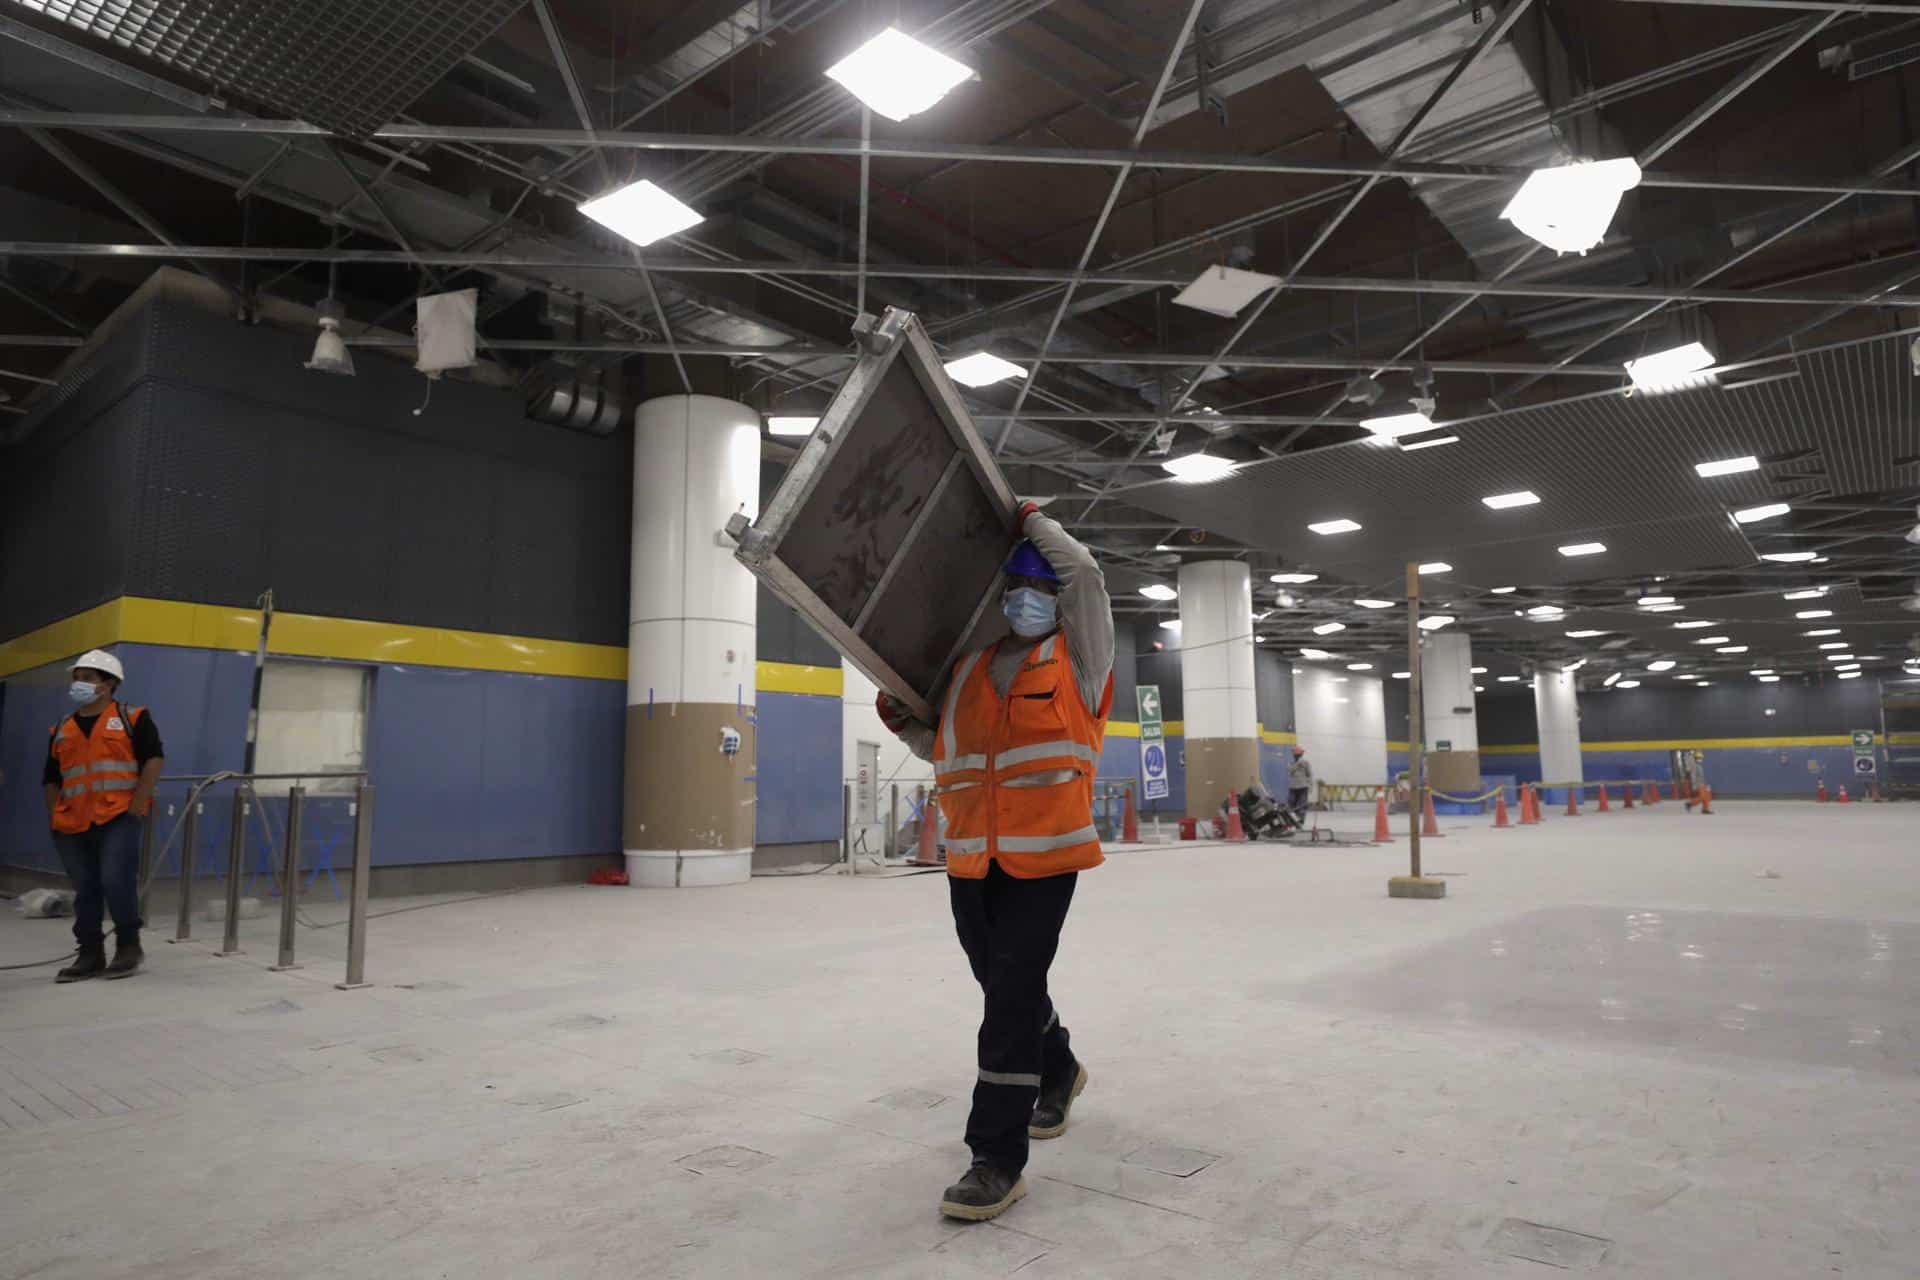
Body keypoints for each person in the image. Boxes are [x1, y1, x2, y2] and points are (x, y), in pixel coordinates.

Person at [876, 501, 1113, 1223]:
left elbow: (1087, 574)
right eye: (1016, 589)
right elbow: (953, 754)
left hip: (1044, 860)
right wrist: (909, 725)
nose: (1025, 600)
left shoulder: (1078, 663)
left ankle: (995, 1158)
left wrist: (1033, 520)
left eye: (1037, 590)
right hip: (972, 859)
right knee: (1003, 982)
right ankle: (1061, 1065)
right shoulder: (973, 668)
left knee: (1008, 995)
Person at [42, 648, 164, 982]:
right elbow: (51, 778)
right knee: (86, 888)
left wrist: (138, 803)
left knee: (115, 879)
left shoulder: (133, 717)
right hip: (72, 822)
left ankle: (128, 945)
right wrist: (56, 816)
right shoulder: (63, 728)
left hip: (117, 815)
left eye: (87, 678)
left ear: (108, 684)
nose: (78, 684)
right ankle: (90, 954)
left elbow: (153, 758)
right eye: (76, 678)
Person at [1287, 744, 1313, 815]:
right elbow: (1290, 771)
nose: (1296, 755)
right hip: (1293, 787)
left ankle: (1301, 819)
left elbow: (1309, 774)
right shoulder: (1291, 763)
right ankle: (1291, 819)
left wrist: (1310, 786)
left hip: (1303, 787)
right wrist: (1297, 764)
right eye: (1295, 754)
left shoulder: (1305, 763)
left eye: (1298, 754)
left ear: (1301, 754)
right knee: (1291, 803)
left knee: (1302, 804)